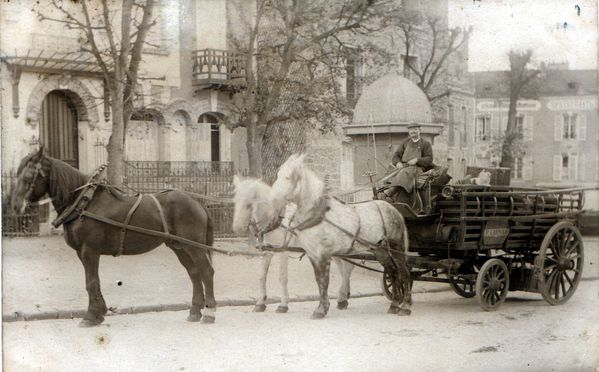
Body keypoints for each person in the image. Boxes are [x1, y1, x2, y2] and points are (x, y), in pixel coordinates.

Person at [384, 122, 434, 200]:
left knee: (406, 171)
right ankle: (384, 193)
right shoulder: (405, 143)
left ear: (419, 130)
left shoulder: (425, 144)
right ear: (408, 132)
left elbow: (429, 159)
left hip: (418, 168)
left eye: (415, 129)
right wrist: (398, 163)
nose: (413, 131)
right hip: (404, 167)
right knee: (389, 173)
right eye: (411, 130)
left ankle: (391, 192)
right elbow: (396, 156)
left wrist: (417, 160)